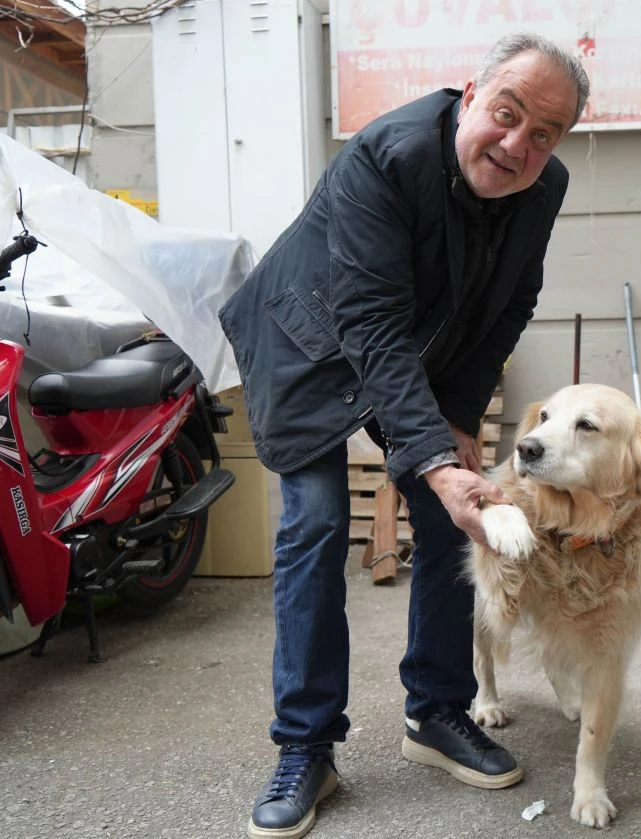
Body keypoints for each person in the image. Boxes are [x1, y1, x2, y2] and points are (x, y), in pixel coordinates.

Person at [217, 31, 590, 839]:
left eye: (543, 134)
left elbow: (511, 304)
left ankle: (437, 710)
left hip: (415, 344)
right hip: (308, 341)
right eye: (507, 113)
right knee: (316, 525)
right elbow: (370, 326)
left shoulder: (543, 185)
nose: (517, 144)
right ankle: (306, 743)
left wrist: (454, 420)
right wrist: (428, 455)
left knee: (451, 513)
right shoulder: (386, 157)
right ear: (470, 95)